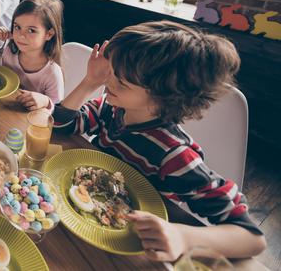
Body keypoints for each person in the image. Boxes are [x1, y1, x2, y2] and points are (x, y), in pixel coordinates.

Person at [54, 21, 266, 261]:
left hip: (130, 251)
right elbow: (62, 125)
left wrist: (183, 236)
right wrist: (89, 82)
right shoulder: (111, 108)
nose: (108, 82)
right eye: (112, 72)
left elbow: (252, 237)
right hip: (84, 224)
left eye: (121, 82)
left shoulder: (174, 155)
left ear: (162, 99)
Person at [0, 0, 65, 111]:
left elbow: (58, 115)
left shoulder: (52, 73)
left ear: (48, 34)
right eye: (17, 27)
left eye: (31, 30)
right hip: (0, 111)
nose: (21, 35)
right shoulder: (7, 52)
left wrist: (46, 101)